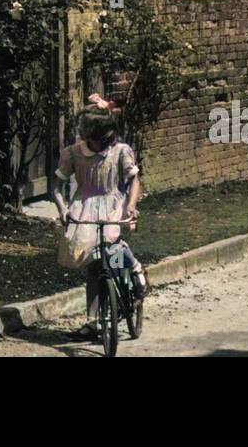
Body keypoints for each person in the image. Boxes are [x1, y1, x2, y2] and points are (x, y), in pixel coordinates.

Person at [52, 107, 147, 338]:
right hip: (84, 207)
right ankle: (92, 321)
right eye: (100, 139)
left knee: (112, 246)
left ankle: (133, 267)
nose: (105, 143)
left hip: (113, 204)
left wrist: (131, 205)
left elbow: (134, 180)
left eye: (107, 139)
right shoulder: (73, 153)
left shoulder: (121, 151)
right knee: (94, 265)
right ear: (89, 137)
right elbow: (55, 187)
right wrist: (63, 209)